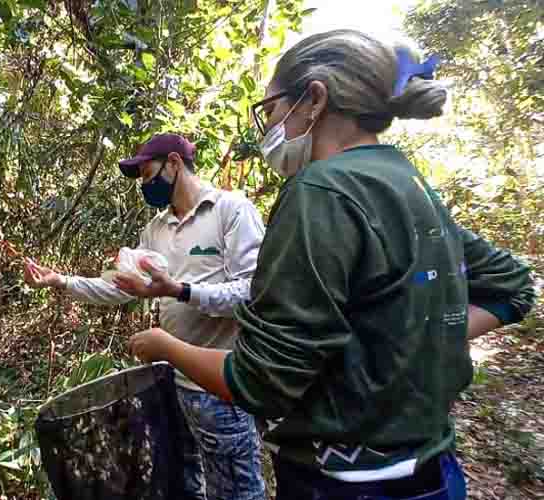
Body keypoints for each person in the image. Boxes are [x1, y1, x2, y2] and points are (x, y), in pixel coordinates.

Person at [128, 30, 536, 500]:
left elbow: (262, 381)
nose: (270, 127)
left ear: (314, 98)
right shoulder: (408, 183)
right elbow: (512, 286)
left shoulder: (319, 192)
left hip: (344, 481)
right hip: (434, 470)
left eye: (272, 110)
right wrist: (414, 338)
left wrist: (166, 346)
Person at [24, 133, 268, 500]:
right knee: (190, 484)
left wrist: (181, 290)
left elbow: (253, 293)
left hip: (222, 387)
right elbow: (121, 286)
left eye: (147, 172)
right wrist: (62, 281)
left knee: (237, 490)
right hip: (173, 384)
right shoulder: (155, 230)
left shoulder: (229, 210)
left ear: (174, 163)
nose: (144, 184)